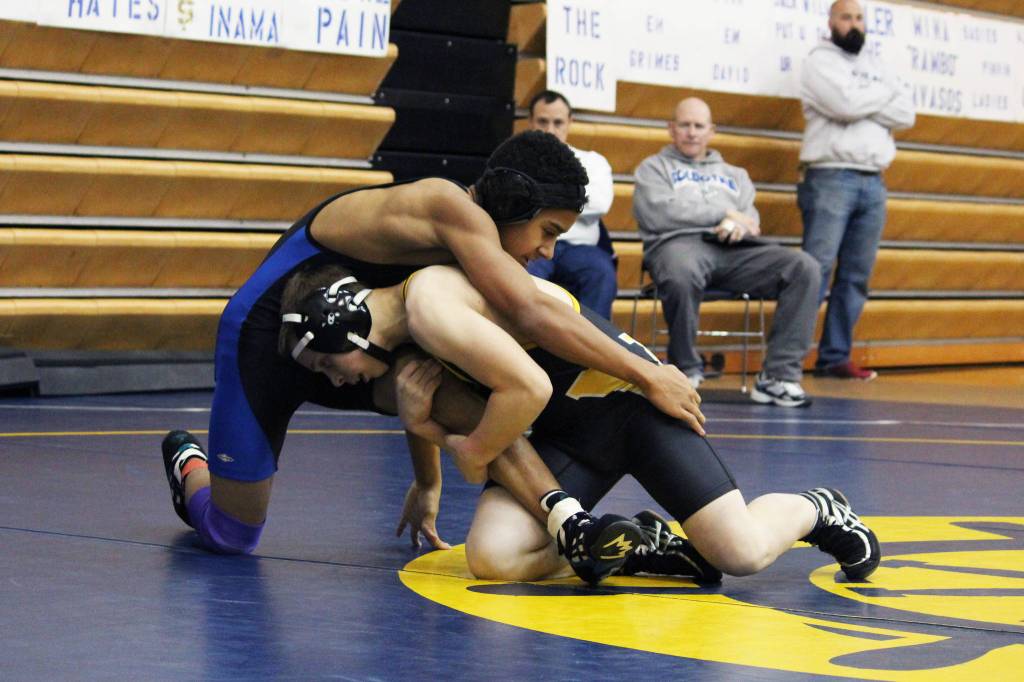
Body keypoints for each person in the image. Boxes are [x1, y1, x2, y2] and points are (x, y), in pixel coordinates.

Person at [159, 131, 706, 583]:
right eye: (547, 231)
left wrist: (428, 481)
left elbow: (421, 366)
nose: (547, 251)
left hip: (358, 351)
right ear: (513, 204)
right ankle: (191, 465)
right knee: (231, 536)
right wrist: (647, 373)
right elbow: (531, 310)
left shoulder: (456, 266)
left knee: (443, 391)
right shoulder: (448, 209)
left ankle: (572, 525)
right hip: (265, 343)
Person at [381, 266, 881, 584]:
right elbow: (467, 418)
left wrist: (445, 445)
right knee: (493, 557)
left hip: (641, 417)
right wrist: (428, 466)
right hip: (568, 438)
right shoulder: (441, 319)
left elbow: (481, 452)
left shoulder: (508, 298)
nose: (548, 249)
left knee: (742, 552)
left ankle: (818, 508)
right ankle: (640, 544)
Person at [632, 97, 821, 407]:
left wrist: (738, 227)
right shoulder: (653, 168)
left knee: (805, 267)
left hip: (735, 250)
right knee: (681, 272)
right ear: (671, 129)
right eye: (684, 125)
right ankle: (685, 369)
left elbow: (749, 219)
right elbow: (659, 212)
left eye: (699, 126)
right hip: (678, 244)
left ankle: (778, 377)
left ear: (711, 131)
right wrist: (723, 212)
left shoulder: (737, 175)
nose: (692, 132)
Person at [798, 0, 915, 381]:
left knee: (856, 276)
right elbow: (844, 105)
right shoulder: (820, 61)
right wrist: (881, 98)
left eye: (859, 17)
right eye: (846, 17)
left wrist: (861, 100)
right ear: (831, 22)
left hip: (873, 181)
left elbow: (907, 114)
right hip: (830, 176)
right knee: (814, 272)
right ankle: (786, 362)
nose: (854, 24)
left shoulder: (877, 64)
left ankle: (834, 357)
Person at [525, 90, 618, 319]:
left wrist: (542, 194)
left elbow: (600, 203)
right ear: (530, 122)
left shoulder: (593, 162)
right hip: (530, 245)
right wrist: (570, 195)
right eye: (542, 121)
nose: (550, 130)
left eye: (558, 123)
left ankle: (589, 352)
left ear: (570, 123)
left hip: (580, 249)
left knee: (602, 274)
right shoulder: (517, 158)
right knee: (520, 278)